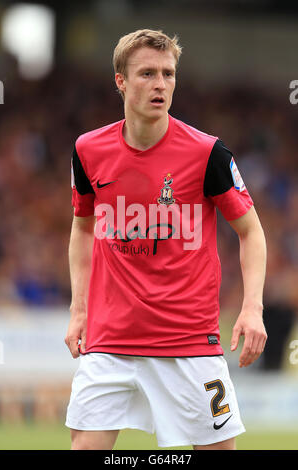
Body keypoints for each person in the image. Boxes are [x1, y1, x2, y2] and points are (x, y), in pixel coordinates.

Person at [65, 29, 267, 451]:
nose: (160, 84)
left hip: (189, 343)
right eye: (147, 74)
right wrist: (79, 308)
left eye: (168, 74)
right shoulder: (87, 150)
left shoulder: (208, 153)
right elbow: (83, 227)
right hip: (110, 343)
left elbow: (251, 231)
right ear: (120, 80)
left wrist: (252, 308)